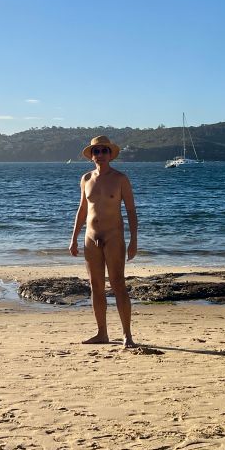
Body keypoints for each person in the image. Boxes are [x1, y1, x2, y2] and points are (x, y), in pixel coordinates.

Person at [68, 135, 138, 347]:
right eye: (96, 151)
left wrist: (133, 241)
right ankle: (102, 333)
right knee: (95, 286)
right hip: (90, 237)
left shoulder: (120, 179)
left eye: (104, 151)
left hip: (113, 237)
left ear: (110, 155)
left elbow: (131, 211)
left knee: (118, 284)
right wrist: (74, 238)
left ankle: (127, 335)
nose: (100, 154)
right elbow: (82, 210)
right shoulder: (86, 179)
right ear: (91, 156)